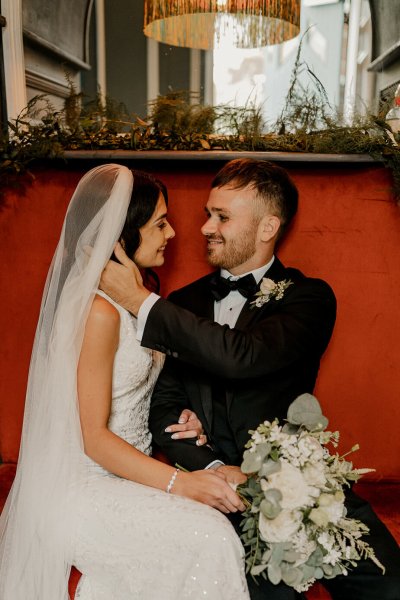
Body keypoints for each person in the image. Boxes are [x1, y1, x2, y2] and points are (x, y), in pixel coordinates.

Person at [100, 158, 400, 600]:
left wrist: (141, 301)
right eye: (208, 213)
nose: (204, 227)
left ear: (267, 228)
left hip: (299, 482)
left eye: (222, 217)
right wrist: (213, 470)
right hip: (215, 490)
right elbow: (162, 406)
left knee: (390, 583)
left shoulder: (308, 299)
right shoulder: (182, 304)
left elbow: (243, 357)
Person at [0, 164, 250, 600]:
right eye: (159, 223)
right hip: (83, 487)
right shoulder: (98, 313)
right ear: (121, 238)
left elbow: (138, 396)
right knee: (211, 536)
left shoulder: (141, 306)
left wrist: (186, 417)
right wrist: (182, 483)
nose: (172, 233)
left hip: (128, 476)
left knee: (215, 528)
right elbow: (92, 438)